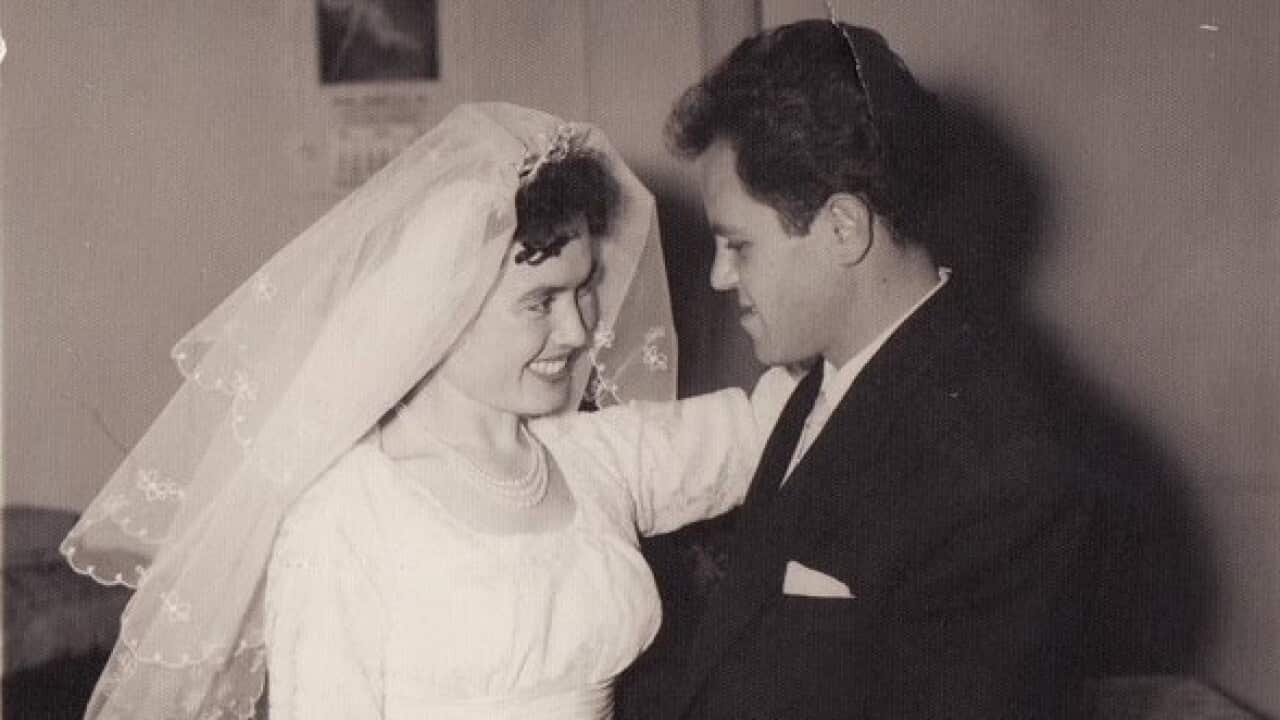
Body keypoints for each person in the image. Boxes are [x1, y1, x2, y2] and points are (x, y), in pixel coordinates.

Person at [62, 103, 778, 720]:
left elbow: (775, 426)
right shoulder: (348, 514)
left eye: (584, 288)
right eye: (540, 302)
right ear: (442, 308)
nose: (578, 329)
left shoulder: (596, 456)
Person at [660, 19, 1097, 719]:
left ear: (842, 228)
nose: (718, 276)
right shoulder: (831, 378)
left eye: (738, 246)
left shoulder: (1009, 470)